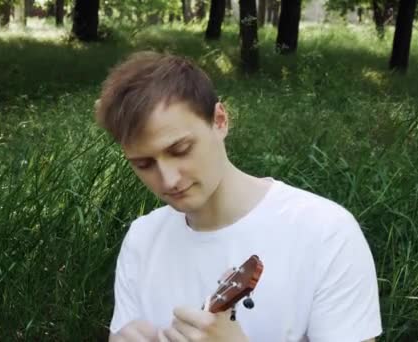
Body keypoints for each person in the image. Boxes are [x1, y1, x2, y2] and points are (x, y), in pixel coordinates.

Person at [93, 51, 382, 342]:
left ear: (220, 121)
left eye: (180, 149)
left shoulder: (326, 232)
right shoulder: (142, 238)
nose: (169, 179)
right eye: (144, 164)